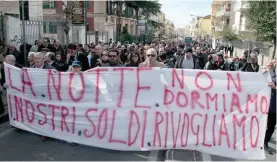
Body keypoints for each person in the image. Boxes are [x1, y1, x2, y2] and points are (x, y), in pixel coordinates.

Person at [264, 61, 276, 154]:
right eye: (268, 66)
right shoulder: (260, 75)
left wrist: (274, 86)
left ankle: (265, 142)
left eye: (271, 66)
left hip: (273, 107)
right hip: (262, 106)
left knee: (271, 127)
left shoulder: (275, 77)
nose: (270, 67)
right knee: (262, 125)